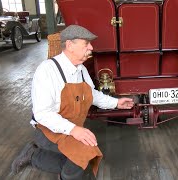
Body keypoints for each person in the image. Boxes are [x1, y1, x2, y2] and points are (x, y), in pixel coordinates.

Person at [11, 25, 134, 180]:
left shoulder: (81, 69)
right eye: (86, 44)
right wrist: (74, 129)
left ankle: (35, 156)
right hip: (48, 130)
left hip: (70, 128)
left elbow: (92, 94)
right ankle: (40, 158)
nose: (91, 47)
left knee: (79, 160)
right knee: (84, 154)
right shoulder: (47, 70)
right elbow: (42, 114)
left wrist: (116, 103)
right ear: (70, 45)